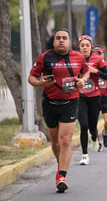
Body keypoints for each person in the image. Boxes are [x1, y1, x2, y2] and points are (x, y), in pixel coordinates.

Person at [28, 28, 90, 193]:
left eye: (64, 38)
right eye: (58, 38)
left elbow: (86, 70)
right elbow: (31, 77)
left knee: (66, 140)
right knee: (55, 142)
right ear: (54, 41)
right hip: (50, 103)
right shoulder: (45, 57)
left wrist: (83, 80)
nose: (61, 40)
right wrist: (41, 83)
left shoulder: (78, 56)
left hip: (71, 101)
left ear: (70, 42)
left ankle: (61, 176)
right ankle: (60, 163)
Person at [78, 35, 107, 165]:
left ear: (91, 47)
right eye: (82, 45)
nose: (85, 48)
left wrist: (95, 71)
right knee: (83, 125)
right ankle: (85, 154)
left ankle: (94, 136)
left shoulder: (97, 59)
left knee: (92, 125)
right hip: (79, 97)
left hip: (94, 96)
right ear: (78, 47)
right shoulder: (74, 58)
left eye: (87, 45)